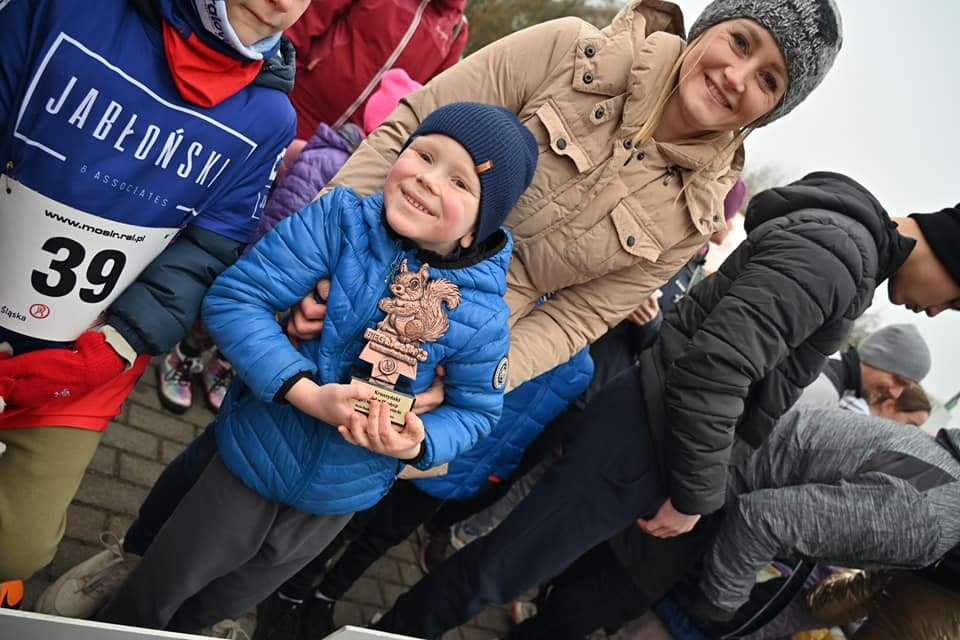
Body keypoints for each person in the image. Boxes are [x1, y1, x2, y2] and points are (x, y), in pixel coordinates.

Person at [366, 167, 960, 640]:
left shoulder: (849, 256)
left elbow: (762, 386)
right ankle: (389, 632)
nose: (937, 313)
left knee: (510, 565)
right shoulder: (838, 256)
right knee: (502, 569)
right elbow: (717, 369)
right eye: (955, 301)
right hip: (647, 434)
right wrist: (693, 496)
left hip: (650, 428)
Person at [90, 102, 539, 633]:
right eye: (424, 153)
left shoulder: (485, 315)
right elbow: (237, 299)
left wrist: (419, 442)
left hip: (340, 497)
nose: (427, 177)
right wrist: (306, 393)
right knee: (159, 591)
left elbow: (477, 411)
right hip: (253, 459)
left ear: (478, 227)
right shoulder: (340, 219)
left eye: (460, 181)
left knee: (220, 606)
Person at [289, 0, 844, 394]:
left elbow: (578, 319)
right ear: (710, 27)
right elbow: (410, 126)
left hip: (431, 355)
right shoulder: (567, 49)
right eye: (740, 42)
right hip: (346, 276)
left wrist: (471, 375)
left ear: (773, 110)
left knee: (304, 524)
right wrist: (325, 260)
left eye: (770, 80)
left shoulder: (695, 218)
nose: (737, 76)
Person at [0, 0, 309, 584]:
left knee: (18, 550)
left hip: (84, 358)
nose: (283, 2)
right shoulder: (70, 9)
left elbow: (207, 249)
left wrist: (115, 345)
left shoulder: (271, 117)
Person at [154, 69, 423, 415]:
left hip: (305, 277)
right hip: (270, 256)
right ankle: (184, 357)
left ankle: (221, 367)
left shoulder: (386, 187)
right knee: (219, 320)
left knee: (259, 330)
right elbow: (289, 208)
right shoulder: (331, 159)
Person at [284, 1, 469, 142]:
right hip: (297, 102)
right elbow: (308, 19)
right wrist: (275, 73)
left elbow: (428, 103)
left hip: (349, 146)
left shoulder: (456, 30)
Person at [796, 323, 932, 413]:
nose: (895, 394)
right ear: (878, 358)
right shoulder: (825, 392)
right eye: (899, 381)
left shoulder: (827, 364)